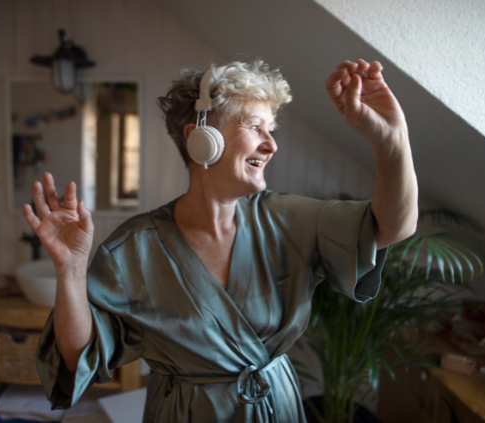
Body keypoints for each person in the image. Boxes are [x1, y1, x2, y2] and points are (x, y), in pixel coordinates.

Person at [27, 59, 418, 423]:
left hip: (276, 408)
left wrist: (390, 138)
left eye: (271, 130)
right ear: (201, 137)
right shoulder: (134, 249)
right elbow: (79, 355)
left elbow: (391, 226)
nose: (271, 145)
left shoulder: (288, 220)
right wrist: (71, 269)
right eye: (254, 127)